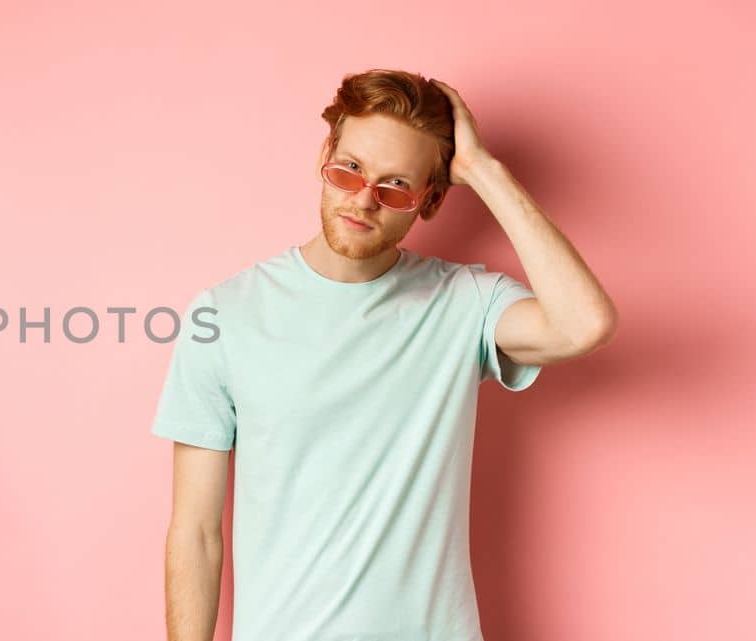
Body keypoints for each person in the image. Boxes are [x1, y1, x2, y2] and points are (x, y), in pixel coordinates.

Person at [150, 69, 617, 641]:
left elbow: (584, 324)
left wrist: (483, 171)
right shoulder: (224, 315)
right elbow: (196, 531)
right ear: (326, 156)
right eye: (348, 170)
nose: (363, 200)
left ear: (431, 201)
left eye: (395, 186)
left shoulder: (464, 303)